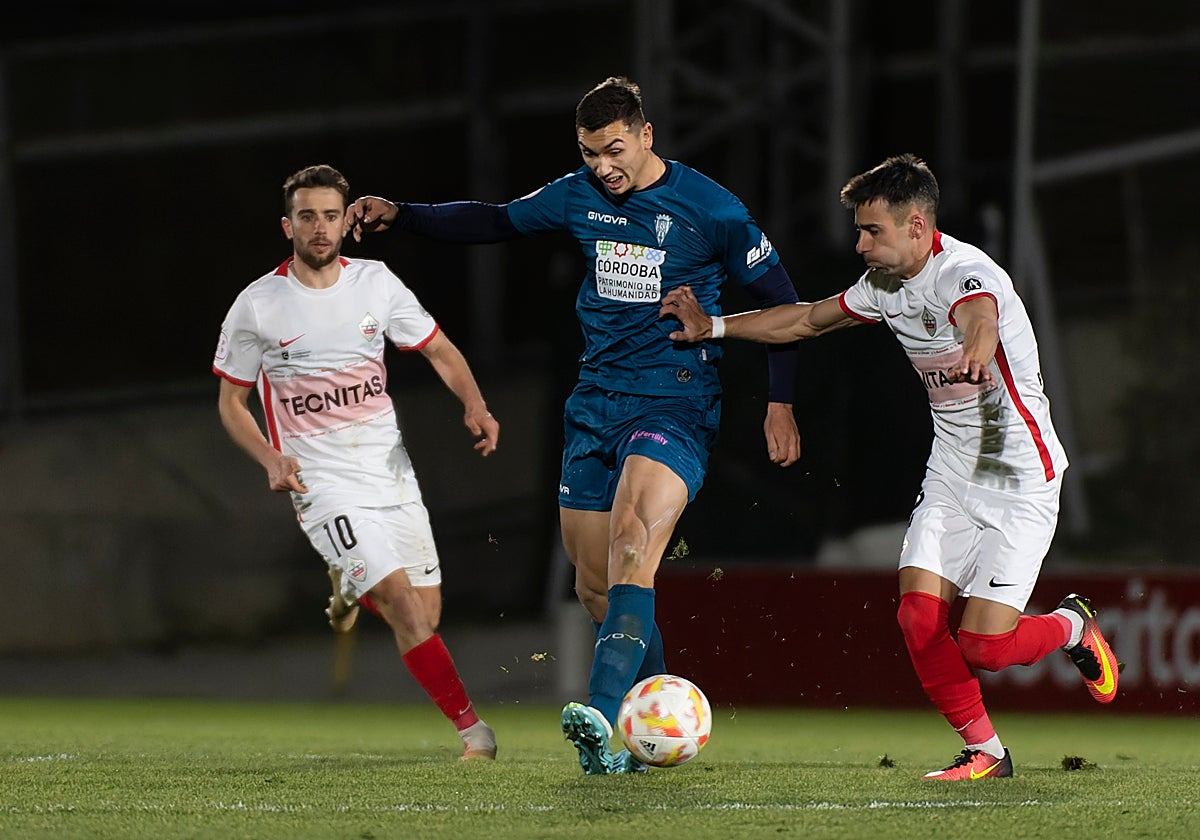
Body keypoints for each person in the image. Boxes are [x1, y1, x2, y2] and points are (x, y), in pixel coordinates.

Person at [346, 76, 803, 774]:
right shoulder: (577, 195)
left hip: (674, 401)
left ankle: (596, 710)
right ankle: (651, 731)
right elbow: (494, 220)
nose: (603, 168)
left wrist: (780, 400)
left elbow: (781, 301)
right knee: (596, 586)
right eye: (591, 154)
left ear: (647, 136)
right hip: (594, 405)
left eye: (614, 150)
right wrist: (401, 214)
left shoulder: (711, 209)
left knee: (631, 542)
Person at [660, 153, 1120, 781]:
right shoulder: (881, 287)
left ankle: (1071, 626)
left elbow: (978, 317)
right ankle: (986, 751)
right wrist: (711, 326)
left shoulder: (964, 270)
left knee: (985, 647)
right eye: (858, 230)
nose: (860, 243)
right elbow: (804, 319)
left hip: (1018, 478)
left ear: (916, 225)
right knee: (916, 616)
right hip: (952, 473)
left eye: (872, 230)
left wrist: (977, 352)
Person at [212, 163, 500, 761]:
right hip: (320, 482)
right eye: (308, 216)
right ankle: (475, 733)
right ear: (287, 225)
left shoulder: (376, 283)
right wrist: (270, 457)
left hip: (388, 470)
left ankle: (350, 583)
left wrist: (474, 404)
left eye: (331, 216)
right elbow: (231, 402)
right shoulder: (258, 306)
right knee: (399, 602)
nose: (320, 228)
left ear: (348, 222)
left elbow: (440, 349)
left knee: (425, 613)